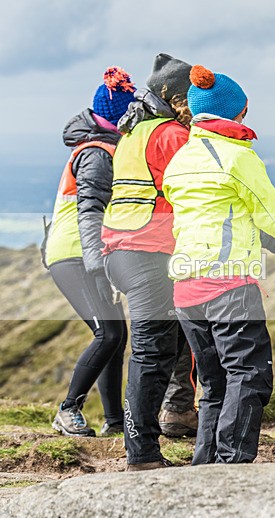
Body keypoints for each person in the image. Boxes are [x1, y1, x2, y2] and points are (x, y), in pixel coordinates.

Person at [163, 65, 275, 465]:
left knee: (213, 384)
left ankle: (205, 465)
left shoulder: (180, 160)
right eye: (245, 110)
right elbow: (273, 215)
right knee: (249, 377)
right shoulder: (236, 157)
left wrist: (267, 239)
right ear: (234, 113)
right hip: (228, 288)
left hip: (186, 289)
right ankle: (232, 465)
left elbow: (216, 214)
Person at [102, 53, 197, 470]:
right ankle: (140, 454)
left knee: (169, 344)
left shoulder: (134, 133)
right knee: (152, 351)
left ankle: (168, 421)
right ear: (174, 98)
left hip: (124, 252)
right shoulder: (172, 136)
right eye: (193, 97)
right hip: (147, 254)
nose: (199, 105)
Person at [44, 67, 135, 437]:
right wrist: (99, 267)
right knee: (108, 334)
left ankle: (114, 422)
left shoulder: (101, 146)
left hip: (83, 253)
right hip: (76, 255)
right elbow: (90, 213)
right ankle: (68, 410)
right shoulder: (97, 154)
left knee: (117, 336)